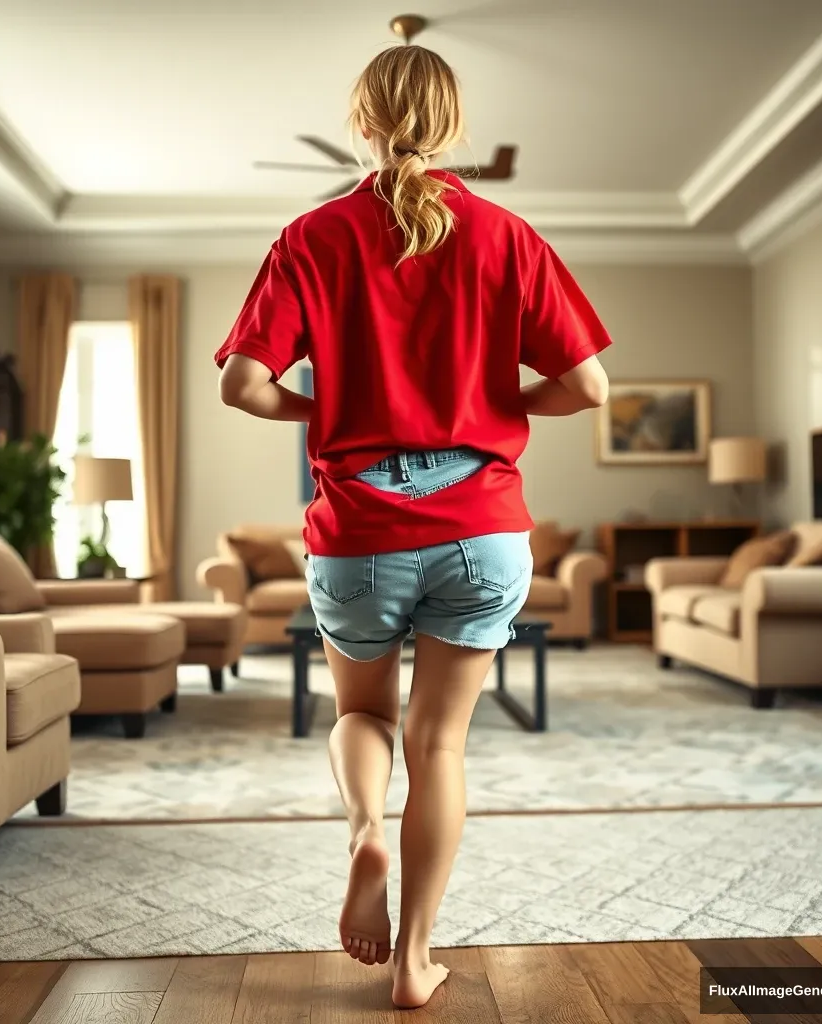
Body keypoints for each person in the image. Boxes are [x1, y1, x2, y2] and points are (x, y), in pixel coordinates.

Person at [215, 44, 611, 1010]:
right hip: (481, 529)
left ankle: (365, 833)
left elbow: (242, 385)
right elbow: (589, 386)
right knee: (440, 747)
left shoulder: (312, 235)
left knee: (361, 714)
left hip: (357, 532)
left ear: (362, 123)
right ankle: (415, 961)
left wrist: (334, 411)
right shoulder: (508, 234)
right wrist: (489, 401)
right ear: (452, 127)